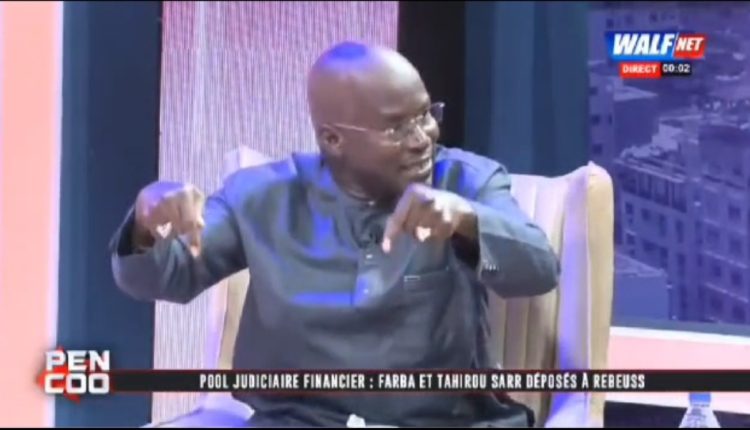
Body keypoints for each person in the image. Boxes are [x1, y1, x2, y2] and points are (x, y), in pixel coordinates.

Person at [110, 41, 559, 427]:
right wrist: (148, 226)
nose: (424, 137)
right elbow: (167, 278)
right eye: (397, 127)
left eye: (425, 115)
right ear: (332, 140)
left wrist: (467, 220)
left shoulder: (467, 182)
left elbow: (539, 269)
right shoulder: (261, 197)